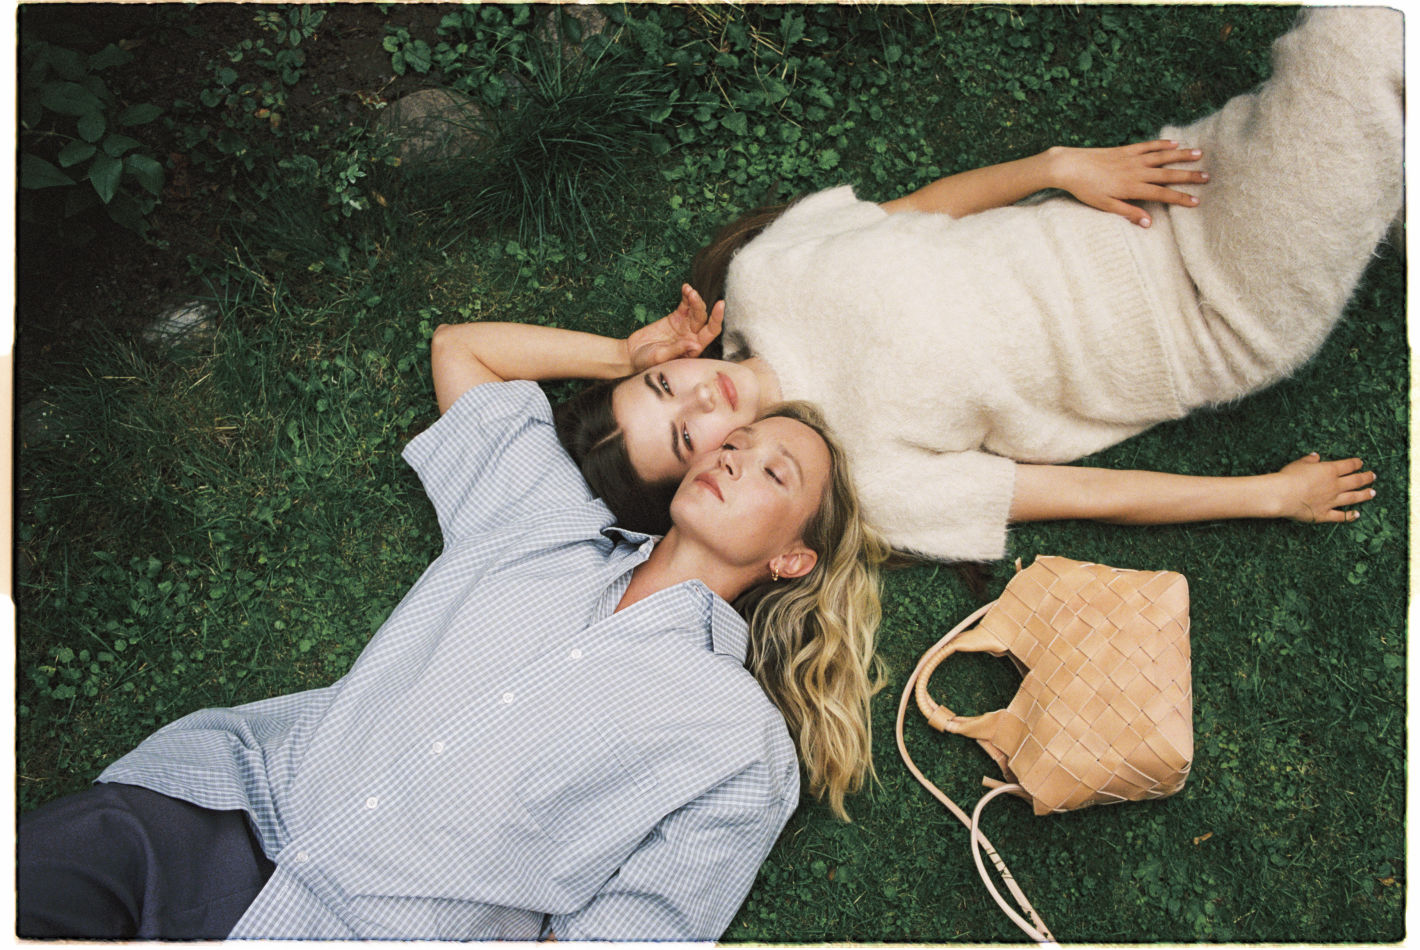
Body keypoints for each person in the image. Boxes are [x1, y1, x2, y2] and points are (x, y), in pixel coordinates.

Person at [16, 322, 888, 939]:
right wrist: (627, 356)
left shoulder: (739, 743)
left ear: (791, 559)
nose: (734, 455)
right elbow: (461, 350)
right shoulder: (545, 515)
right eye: (735, 443)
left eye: (774, 471)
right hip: (215, 816)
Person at [464, 7, 1397, 561]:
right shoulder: (849, 483)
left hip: (1166, 186)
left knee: (1373, 84)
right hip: (1212, 308)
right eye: (684, 437)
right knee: (1361, 44)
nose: (700, 399)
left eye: (666, 384)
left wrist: (1060, 166)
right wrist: (1270, 496)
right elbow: (1073, 494)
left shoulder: (763, 274)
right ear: (704, 477)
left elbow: (917, 211)